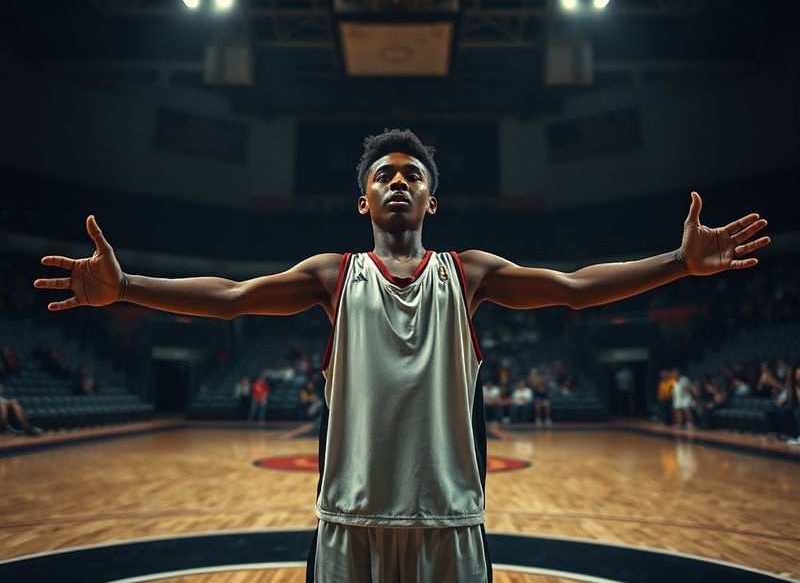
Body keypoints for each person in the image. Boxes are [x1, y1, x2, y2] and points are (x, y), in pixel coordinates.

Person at [34, 128, 770, 582]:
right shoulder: (332, 275)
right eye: (383, 175)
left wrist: (679, 262)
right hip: (348, 520)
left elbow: (575, 289)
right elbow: (229, 298)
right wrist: (125, 285)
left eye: (411, 175)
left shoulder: (469, 272)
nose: (396, 181)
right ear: (363, 202)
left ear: (430, 203)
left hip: (448, 521)